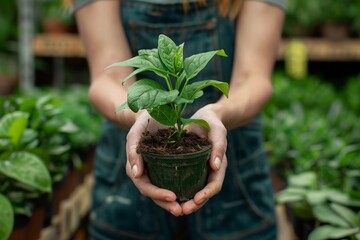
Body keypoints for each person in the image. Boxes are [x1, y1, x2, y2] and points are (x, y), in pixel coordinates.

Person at [73, 0, 285, 239]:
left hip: (236, 178)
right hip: (128, 177)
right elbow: (108, 77)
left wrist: (217, 115)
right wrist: (143, 115)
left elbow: (253, 77)